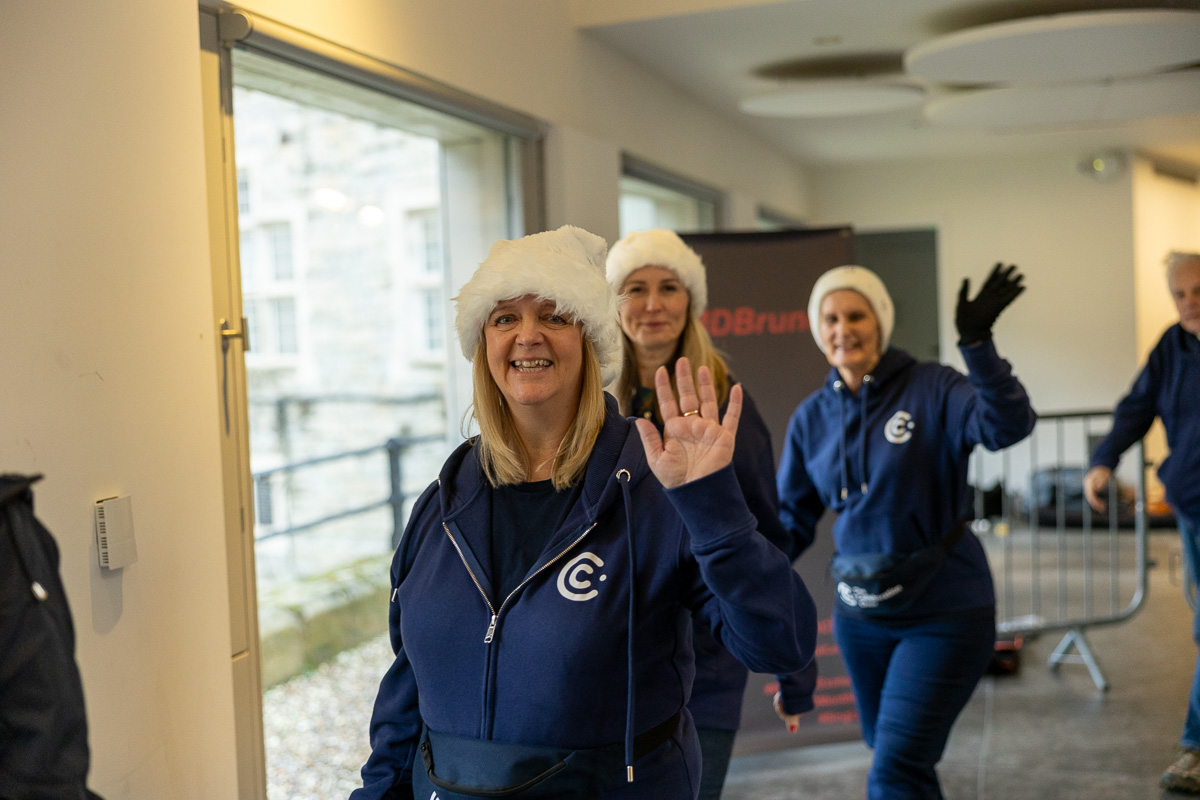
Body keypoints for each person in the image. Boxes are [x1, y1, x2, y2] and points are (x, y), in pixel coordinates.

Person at [350, 225, 817, 800]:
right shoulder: (442, 505)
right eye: (504, 319)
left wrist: (712, 506)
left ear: (591, 342)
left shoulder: (650, 492)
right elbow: (405, 695)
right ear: (482, 345)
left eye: (553, 316)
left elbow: (780, 643)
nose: (527, 336)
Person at [772, 263, 1036, 799]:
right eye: (830, 318)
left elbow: (1007, 425)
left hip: (945, 612)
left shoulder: (933, 387)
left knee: (896, 766)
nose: (842, 328)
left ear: (880, 323)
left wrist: (977, 344)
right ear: (817, 329)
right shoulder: (811, 418)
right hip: (861, 617)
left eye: (856, 315)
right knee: (894, 754)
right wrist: (728, 579)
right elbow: (791, 524)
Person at [605, 228, 802, 799]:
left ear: (690, 300)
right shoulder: (590, 406)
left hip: (706, 657)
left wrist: (791, 663)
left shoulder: (723, 400)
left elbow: (765, 532)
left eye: (669, 287)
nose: (652, 304)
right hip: (610, 644)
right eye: (635, 287)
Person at [1082, 251, 1200, 794]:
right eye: (1179, 294)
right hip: (1194, 505)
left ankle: (1196, 746)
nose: (1189, 302)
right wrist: (1104, 460)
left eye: (1197, 290)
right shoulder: (1172, 346)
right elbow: (1137, 407)